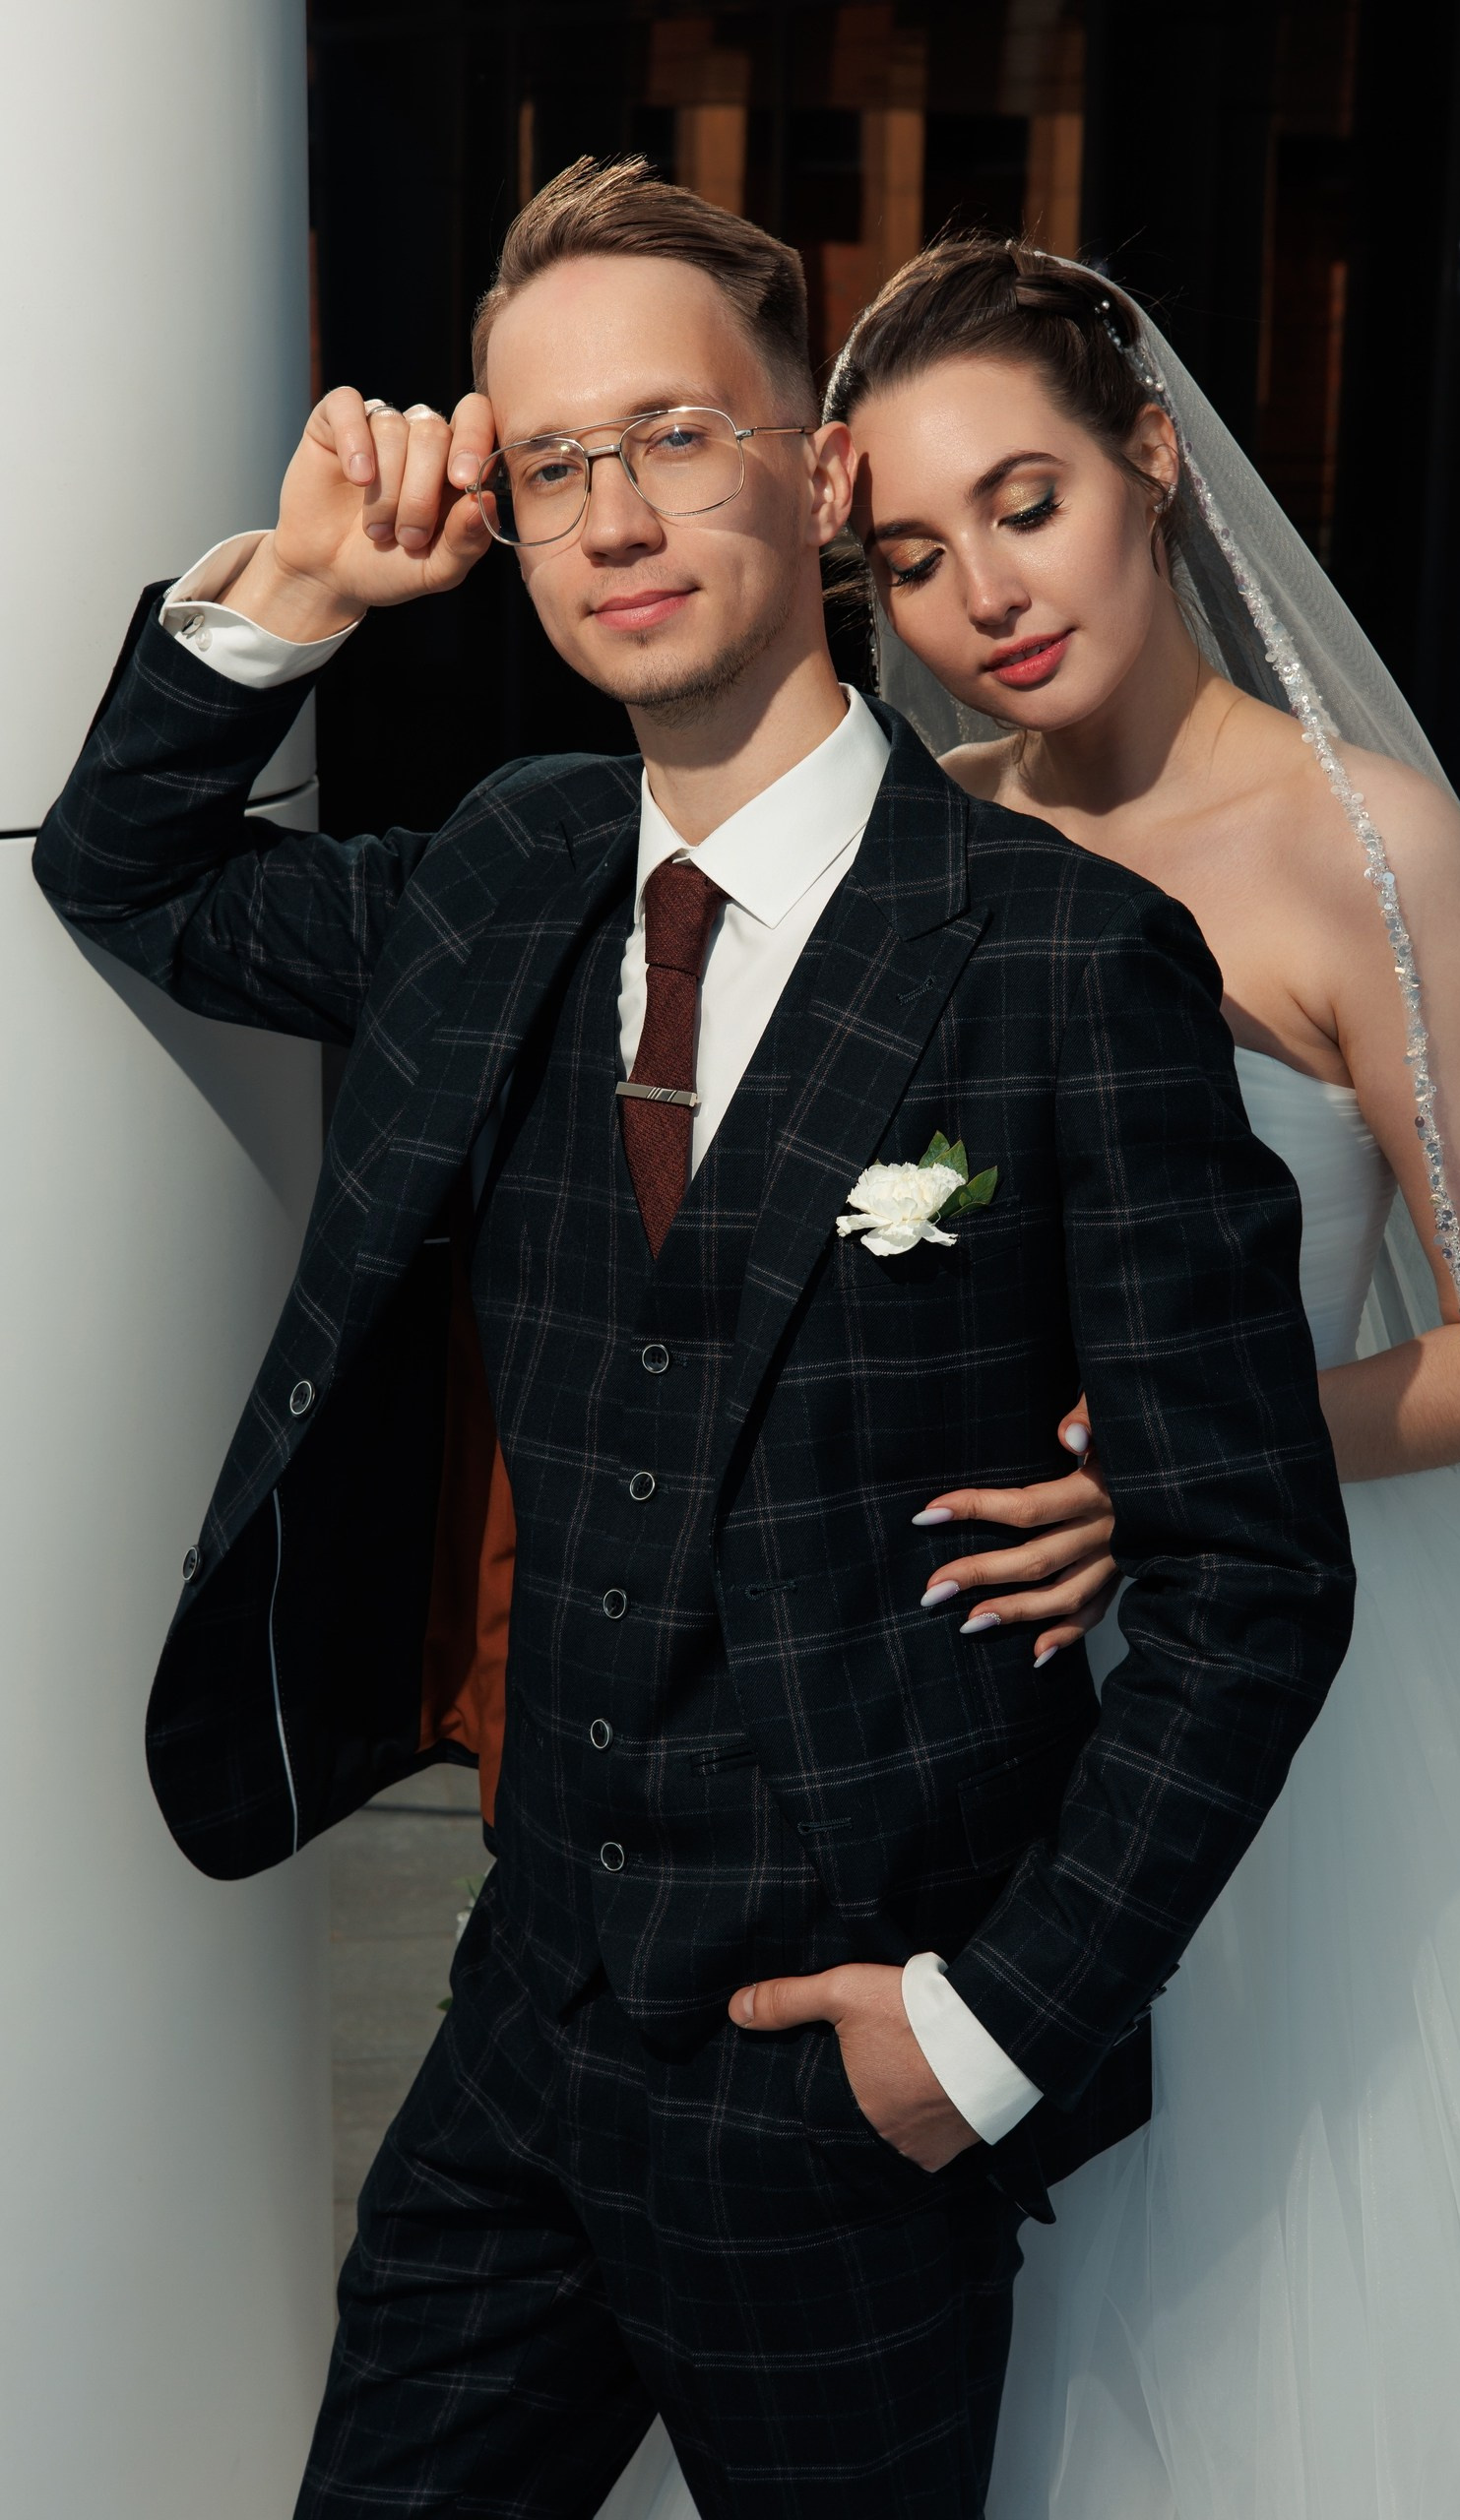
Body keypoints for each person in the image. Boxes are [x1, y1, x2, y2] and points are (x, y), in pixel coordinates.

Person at [32, 163, 1354, 2518]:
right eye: (554, 466)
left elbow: (1253, 1576)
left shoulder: (1067, 958)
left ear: (816, 473)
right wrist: (299, 587)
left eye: (672, 435)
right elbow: (123, 864)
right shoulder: (505, 871)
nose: (617, 516)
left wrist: (981, 2033)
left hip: (841, 2084)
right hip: (519, 2027)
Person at [815, 235, 1460, 2516]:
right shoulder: (924, 836)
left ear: (1149, 462)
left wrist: (1178, 1471)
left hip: (1295, 1670)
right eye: (911, 555)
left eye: (1023, 502)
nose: (984, 592)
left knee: (1277, 2284)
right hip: (976, 1665)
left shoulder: (1357, 841)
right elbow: (907, 1216)